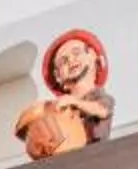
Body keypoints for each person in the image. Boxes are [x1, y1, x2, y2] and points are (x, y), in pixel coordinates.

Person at [14, 29, 115, 159]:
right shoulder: (60, 110)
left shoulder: (98, 98)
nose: (71, 60)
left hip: (95, 156)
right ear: (58, 77)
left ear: (93, 56)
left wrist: (75, 102)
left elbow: (102, 111)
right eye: (63, 61)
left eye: (76, 52)